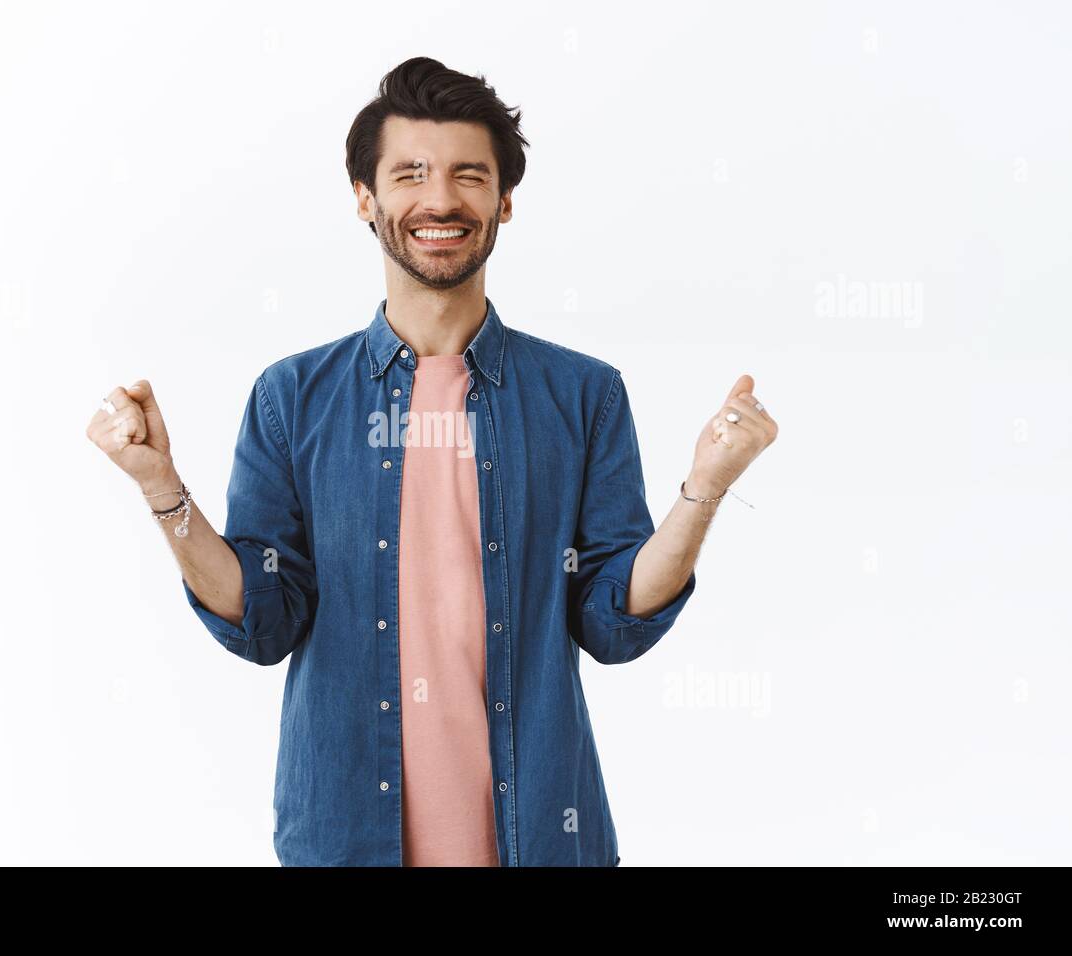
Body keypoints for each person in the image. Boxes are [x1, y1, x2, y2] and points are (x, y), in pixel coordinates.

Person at [85, 56, 779, 866]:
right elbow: (265, 618)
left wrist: (707, 488)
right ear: (365, 199)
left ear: (504, 202)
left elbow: (611, 620)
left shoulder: (582, 395)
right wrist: (162, 488)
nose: (440, 199)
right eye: (409, 173)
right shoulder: (293, 398)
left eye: (468, 176)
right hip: (346, 838)